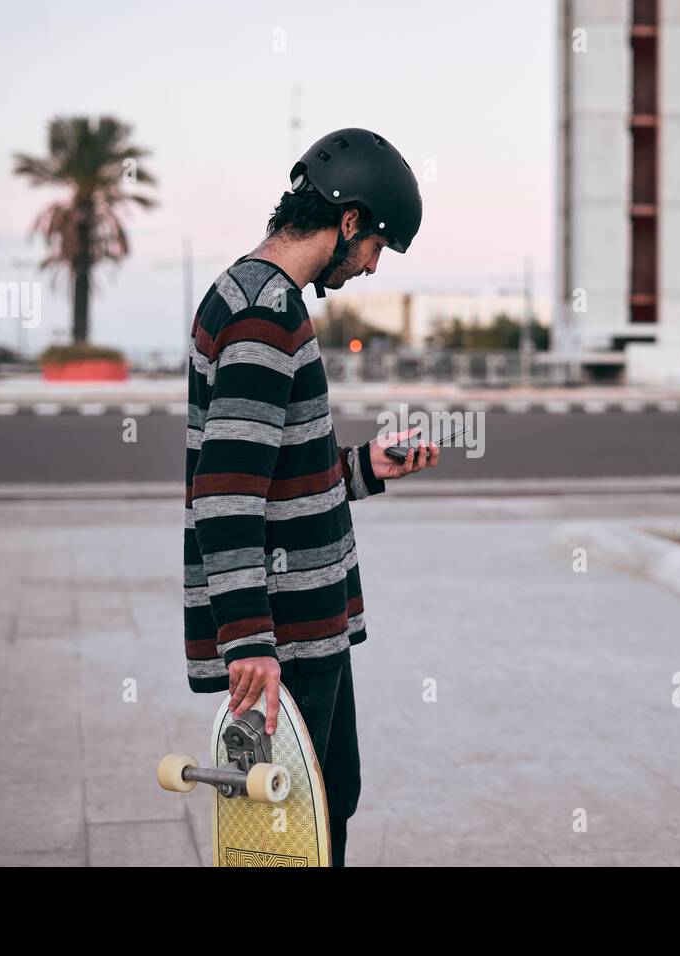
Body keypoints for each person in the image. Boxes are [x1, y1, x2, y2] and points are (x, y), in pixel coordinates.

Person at [183, 128, 435, 866]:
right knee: (290, 835)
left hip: (304, 622)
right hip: (286, 631)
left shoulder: (253, 294)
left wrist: (365, 468)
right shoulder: (266, 313)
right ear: (348, 220)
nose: (372, 265)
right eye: (378, 246)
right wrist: (249, 642)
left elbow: (272, 471)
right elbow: (225, 489)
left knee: (328, 803)